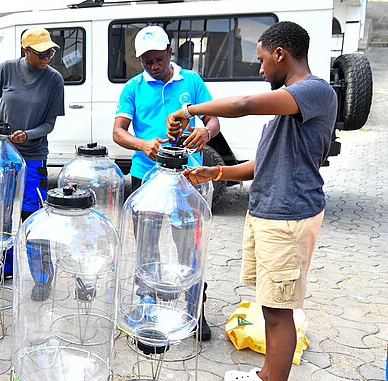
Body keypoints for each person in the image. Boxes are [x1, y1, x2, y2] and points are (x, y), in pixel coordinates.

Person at [166, 21, 336, 381]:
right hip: (268, 212)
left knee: (279, 311)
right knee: (271, 306)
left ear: (281, 54)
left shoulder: (315, 91)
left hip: (287, 216)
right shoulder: (288, 104)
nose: (260, 69)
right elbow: (264, 164)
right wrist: (218, 174)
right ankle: (265, 375)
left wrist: (190, 111)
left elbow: (243, 104)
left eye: (261, 61)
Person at [112, 25, 219, 341]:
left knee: (188, 245)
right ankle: (146, 305)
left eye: (158, 59)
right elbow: (118, 131)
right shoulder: (133, 88)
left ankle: (194, 307)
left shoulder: (192, 82)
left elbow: (213, 119)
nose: (153, 66)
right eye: (146, 61)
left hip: (188, 179)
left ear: (171, 52)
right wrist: (144, 145)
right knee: (146, 244)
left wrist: (206, 132)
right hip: (146, 177)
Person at [0, 27, 65, 301]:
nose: (47, 57)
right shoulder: (6, 70)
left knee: (33, 218)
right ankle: (2, 266)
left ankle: (42, 277)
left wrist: (27, 134)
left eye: (50, 52)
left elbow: (50, 124)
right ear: (25, 51)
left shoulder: (54, 80)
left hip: (32, 157)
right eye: (41, 52)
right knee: (1, 214)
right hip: (3, 155)